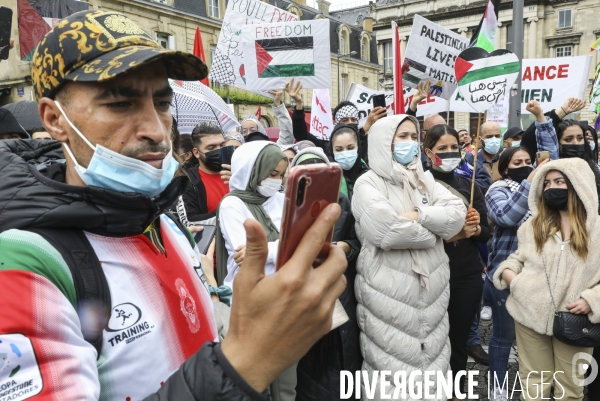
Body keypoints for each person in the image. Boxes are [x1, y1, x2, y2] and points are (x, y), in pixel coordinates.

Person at [0, 10, 348, 400]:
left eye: (162, 104)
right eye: (120, 104)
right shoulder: (24, 262)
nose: (156, 131)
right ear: (54, 119)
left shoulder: (162, 222)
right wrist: (245, 362)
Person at [351, 114, 466, 397]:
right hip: (386, 294)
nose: (410, 143)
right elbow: (386, 230)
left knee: (434, 367)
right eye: (402, 137)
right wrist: (433, 233)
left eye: (414, 137)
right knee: (392, 375)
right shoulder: (368, 183)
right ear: (383, 142)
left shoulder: (425, 180)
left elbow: (456, 216)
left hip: (432, 294)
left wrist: (417, 214)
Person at [494, 158, 600, 400]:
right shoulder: (532, 226)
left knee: (571, 388)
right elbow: (517, 259)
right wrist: (514, 279)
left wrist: (593, 300)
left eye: (560, 181)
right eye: (547, 183)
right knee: (533, 383)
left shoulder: (598, 230)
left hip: (577, 320)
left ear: (578, 185)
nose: (552, 187)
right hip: (529, 313)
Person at [215, 141, 298, 401]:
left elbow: (299, 242)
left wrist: (270, 250)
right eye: (271, 174)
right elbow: (247, 255)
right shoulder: (232, 204)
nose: (276, 181)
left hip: (284, 298)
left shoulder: (282, 200)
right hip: (249, 303)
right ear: (252, 171)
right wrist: (284, 247)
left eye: (280, 175)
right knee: (255, 380)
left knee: (286, 382)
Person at [423, 125, 490, 399]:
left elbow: (486, 233)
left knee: (458, 339)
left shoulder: (469, 185)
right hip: (429, 275)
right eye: (442, 149)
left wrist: (475, 229)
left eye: (454, 147)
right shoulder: (418, 186)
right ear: (429, 152)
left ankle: (455, 391)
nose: (450, 153)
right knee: (429, 341)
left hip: (465, 275)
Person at [290, 147, 363, 401]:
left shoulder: (342, 203)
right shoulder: (287, 208)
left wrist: (341, 248)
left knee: (344, 354)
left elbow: (356, 243)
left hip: (340, 293)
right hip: (304, 297)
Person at [484, 146, 549, 400]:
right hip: (505, 276)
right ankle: (498, 387)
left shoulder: (545, 190)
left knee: (534, 338)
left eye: (527, 161)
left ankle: (535, 387)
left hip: (538, 277)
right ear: (505, 168)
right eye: (516, 162)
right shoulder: (497, 190)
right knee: (503, 337)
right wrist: (529, 183)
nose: (524, 165)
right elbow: (506, 217)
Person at [288, 78, 385, 162]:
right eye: (345, 120)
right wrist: (299, 104)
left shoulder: (369, 140)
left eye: (353, 119)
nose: (350, 123)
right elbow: (300, 134)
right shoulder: (326, 145)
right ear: (337, 123)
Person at [179, 122, 229, 225]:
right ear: (196, 152)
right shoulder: (187, 182)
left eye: (222, 145)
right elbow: (190, 220)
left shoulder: (238, 173)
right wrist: (230, 211)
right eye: (211, 148)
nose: (219, 150)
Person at [326, 124, 369, 200]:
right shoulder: (326, 180)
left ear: (358, 147)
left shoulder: (369, 176)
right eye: (339, 150)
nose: (345, 154)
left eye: (350, 148)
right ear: (332, 150)